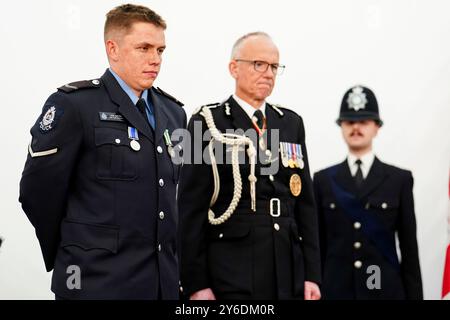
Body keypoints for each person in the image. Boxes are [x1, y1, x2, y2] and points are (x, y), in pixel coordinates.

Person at [19, 4, 186, 299]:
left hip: (160, 284)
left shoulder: (174, 113)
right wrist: (76, 248)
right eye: (144, 48)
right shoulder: (75, 104)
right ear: (113, 48)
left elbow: (171, 200)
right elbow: (38, 191)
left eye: (160, 50)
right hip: (94, 281)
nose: (155, 59)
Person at [178, 32, 321, 300]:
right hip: (232, 267)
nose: (268, 73)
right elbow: (190, 209)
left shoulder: (290, 123)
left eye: (274, 67)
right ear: (234, 68)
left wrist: (312, 273)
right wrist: (196, 282)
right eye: (259, 64)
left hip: (287, 266)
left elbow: (306, 204)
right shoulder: (207, 123)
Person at [313, 85, 423, 299]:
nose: (356, 128)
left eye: (363, 122)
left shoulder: (399, 180)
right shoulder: (323, 180)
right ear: (341, 127)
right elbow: (317, 246)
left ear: (376, 127)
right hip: (335, 291)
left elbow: (410, 251)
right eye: (349, 122)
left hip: (383, 290)